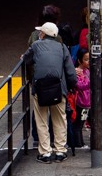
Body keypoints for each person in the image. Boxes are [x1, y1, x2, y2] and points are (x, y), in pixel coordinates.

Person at [24, 22, 77, 164]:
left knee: (41, 121)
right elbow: (70, 71)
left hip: (40, 89)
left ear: (43, 34)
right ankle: (60, 151)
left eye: (40, 32)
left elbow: (26, 59)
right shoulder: (62, 47)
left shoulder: (35, 46)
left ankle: (45, 152)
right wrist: (72, 86)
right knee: (60, 119)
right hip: (59, 88)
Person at [71, 48, 92, 150]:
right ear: (79, 60)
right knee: (78, 124)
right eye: (86, 59)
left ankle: (80, 143)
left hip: (87, 102)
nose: (89, 61)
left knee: (81, 123)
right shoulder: (77, 73)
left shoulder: (87, 71)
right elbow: (80, 86)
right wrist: (91, 81)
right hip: (80, 102)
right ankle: (78, 144)